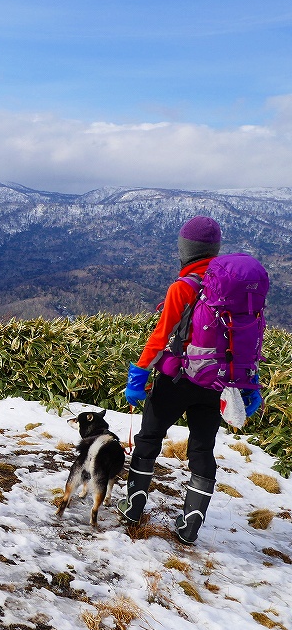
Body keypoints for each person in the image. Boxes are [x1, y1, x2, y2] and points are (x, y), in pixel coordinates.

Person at [119, 215, 263, 544]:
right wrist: (250, 383)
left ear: (186, 249)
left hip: (176, 378)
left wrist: (138, 375)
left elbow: (161, 336)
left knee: (149, 438)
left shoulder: (183, 287)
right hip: (217, 385)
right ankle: (190, 526)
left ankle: (133, 506)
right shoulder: (237, 290)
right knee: (202, 448)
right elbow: (248, 339)